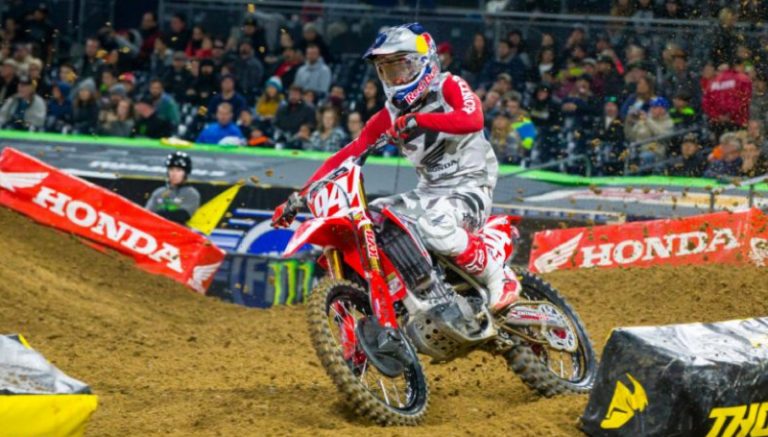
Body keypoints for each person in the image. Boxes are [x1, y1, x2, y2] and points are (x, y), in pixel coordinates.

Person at [272, 23, 520, 313]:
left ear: (424, 62)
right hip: (430, 191)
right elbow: (347, 154)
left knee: (435, 226)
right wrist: (299, 196)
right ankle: (413, 292)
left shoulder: (448, 86)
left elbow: (473, 119)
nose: (396, 78)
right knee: (374, 218)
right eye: (388, 71)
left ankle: (498, 275)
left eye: (401, 67)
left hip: (471, 185)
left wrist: (420, 120)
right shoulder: (389, 115)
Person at [145, 151, 200, 224]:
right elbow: (147, 215)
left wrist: (160, 214)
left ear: (186, 173)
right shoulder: (159, 192)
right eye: (171, 170)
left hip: (179, 230)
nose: (174, 174)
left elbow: (183, 215)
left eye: (178, 170)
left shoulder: (191, 193)